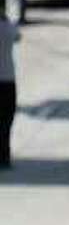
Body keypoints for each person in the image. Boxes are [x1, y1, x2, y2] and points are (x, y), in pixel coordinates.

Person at [0, 11, 17, 169]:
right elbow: (18, 36)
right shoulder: (9, 28)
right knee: (7, 120)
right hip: (7, 81)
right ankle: (4, 155)